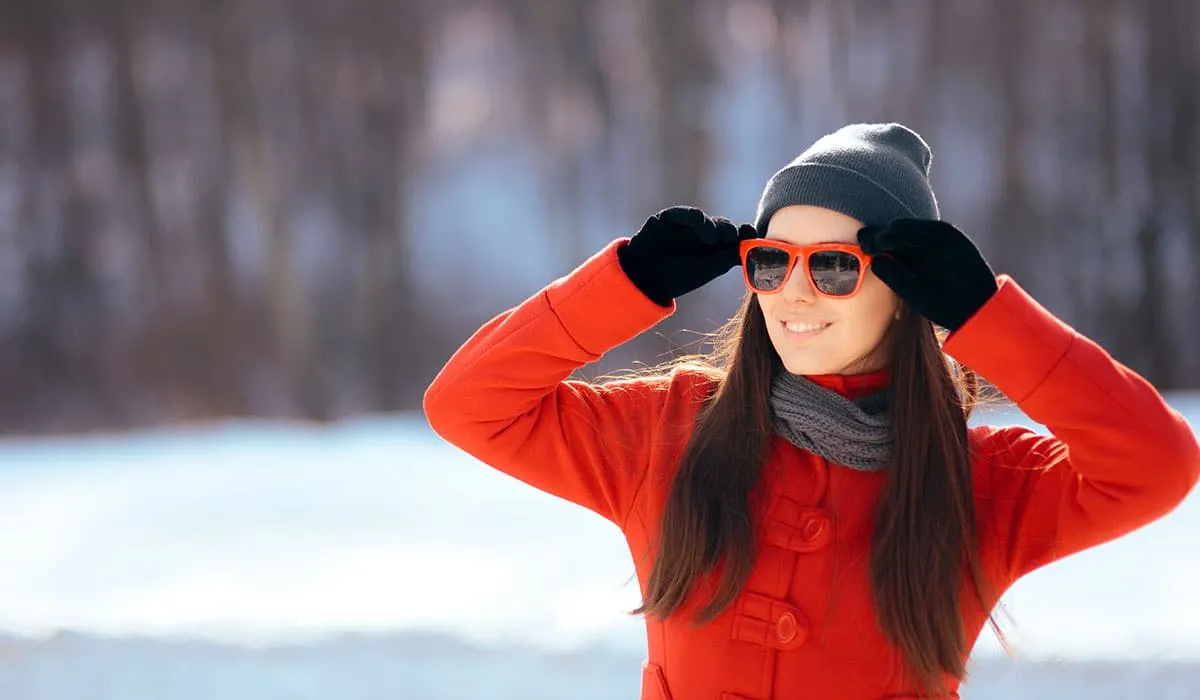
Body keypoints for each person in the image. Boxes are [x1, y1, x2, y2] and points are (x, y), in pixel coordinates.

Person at [422, 123, 1200, 699]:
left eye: (832, 267)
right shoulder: (672, 430)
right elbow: (468, 404)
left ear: (906, 292)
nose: (792, 293)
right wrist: (626, 283)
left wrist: (985, 316)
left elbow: (1158, 464)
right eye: (771, 263)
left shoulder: (980, 484)